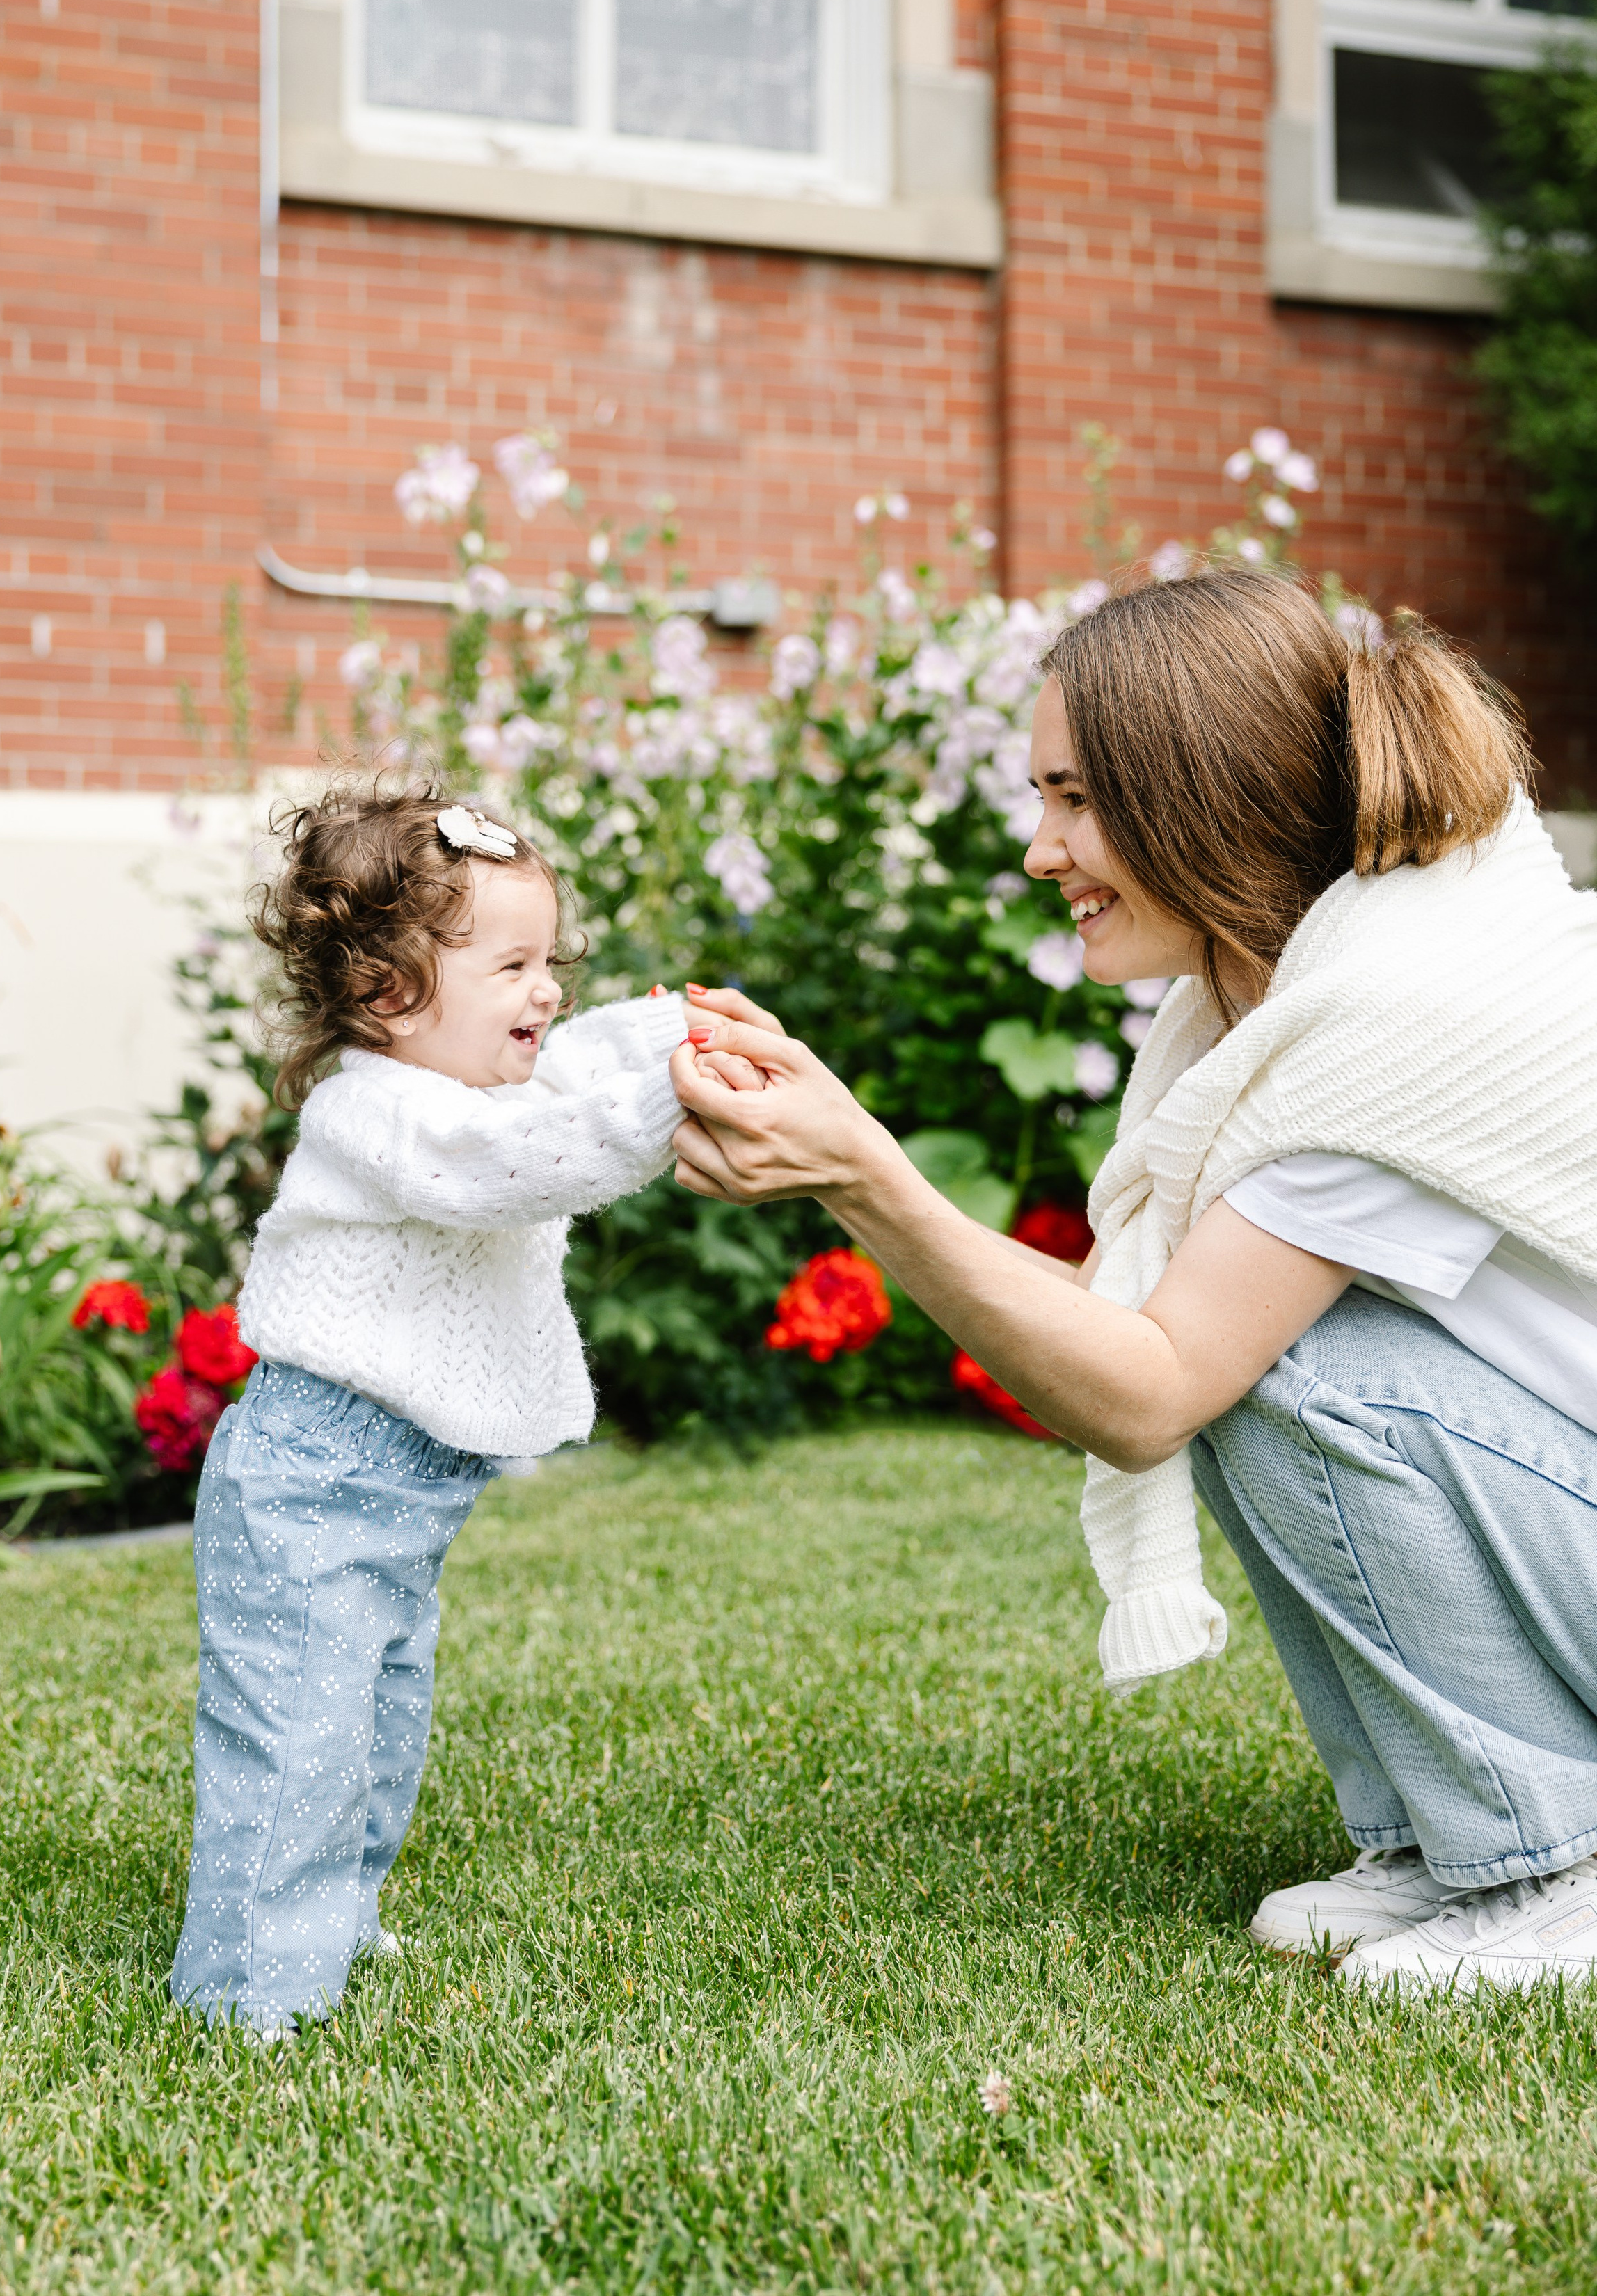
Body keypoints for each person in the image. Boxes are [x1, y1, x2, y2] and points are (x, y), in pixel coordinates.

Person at [669, 569, 1597, 1994]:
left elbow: (1146, 1385)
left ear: (1197, 795)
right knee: (1258, 1357)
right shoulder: (1282, 998)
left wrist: (862, 1170)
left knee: (1273, 1368)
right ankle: (1435, 1827)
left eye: (1073, 799)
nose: (1040, 849)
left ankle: (1551, 1857)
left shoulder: (1389, 1019)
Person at [170, 776, 716, 2041]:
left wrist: (669, 1031)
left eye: (551, 960)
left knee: (373, 1724)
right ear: (388, 995)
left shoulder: (462, 1080)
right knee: (295, 1731)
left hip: (395, 1495)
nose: (548, 992)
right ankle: (248, 1988)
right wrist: (664, 1102)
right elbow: (513, 1170)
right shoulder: (381, 1112)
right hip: (310, 1477)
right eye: (515, 965)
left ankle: (335, 1915)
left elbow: (573, 1061)